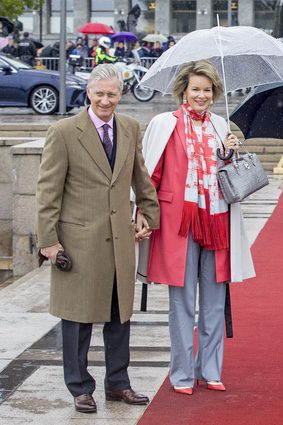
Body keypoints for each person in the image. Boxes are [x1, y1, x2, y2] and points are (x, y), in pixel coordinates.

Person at [36, 64, 160, 413]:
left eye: (112, 94)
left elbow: (141, 178)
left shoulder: (131, 128)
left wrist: (150, 213)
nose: (106, 100)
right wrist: (49, 241)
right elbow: (48, 192)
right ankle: (80, 387)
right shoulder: (63, 132)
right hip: (78, 241)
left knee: (119, 317)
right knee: (77, 319)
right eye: (100, 93)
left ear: (121, 95)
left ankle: (118, 383)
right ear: (89, 93)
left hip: (120, 240)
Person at [139, 60, 256, 395]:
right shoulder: (165, 124)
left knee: (215, 301)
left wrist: (229, 154)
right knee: (182, 301)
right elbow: (152, 175)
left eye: (207, 90)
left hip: (217, 218)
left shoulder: (222, 126)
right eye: (196, 89)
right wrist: (144, 213)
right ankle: (181, 374)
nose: (202, 95)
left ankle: (211, 368)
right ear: (183, 91)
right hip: (179, 222)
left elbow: (229, 177)